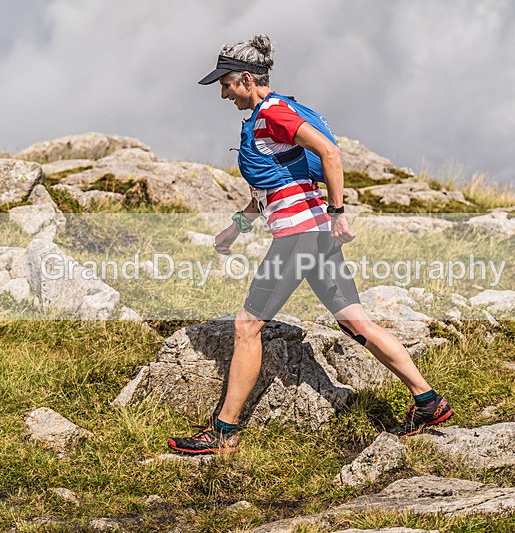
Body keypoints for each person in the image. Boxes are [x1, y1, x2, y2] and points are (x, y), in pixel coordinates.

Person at [168, 34, 452, 455]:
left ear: (247, 79)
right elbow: (273, 184)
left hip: (302, 234)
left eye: (226, 84)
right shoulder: (264, 119)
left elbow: (330, 154)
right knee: (356, 322)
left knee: (247, 327)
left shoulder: (273, 113)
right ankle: (428, 402)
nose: (223, 94)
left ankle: (224, 431)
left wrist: (339, 214)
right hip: (313, 232)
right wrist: (236, 228)